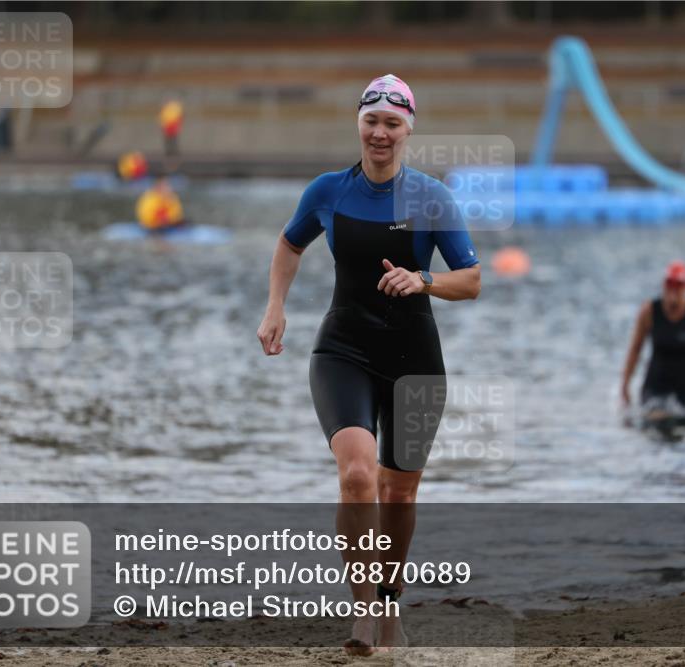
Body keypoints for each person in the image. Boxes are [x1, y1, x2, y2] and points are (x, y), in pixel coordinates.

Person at [256, 74, 481, 654]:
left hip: (415, 359)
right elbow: (289, 244)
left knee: (400, 494)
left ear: (408, 129)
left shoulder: (432, 197)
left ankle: (387, 604)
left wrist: (425, 278)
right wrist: (276, 305)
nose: (380, 133)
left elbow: (472, 280)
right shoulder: (328, 190)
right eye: (371, 121)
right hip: (343, 350)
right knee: (358, 475)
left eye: (392, 123)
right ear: (358, 123)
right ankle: (361, 611)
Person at [621, 260, 685, 420]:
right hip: (656, 382)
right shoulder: (649, 311)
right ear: (664, 285)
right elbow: (635, 349)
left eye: (679, 286)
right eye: (670, 285)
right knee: (655, 420)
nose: (673, 291)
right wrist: (625, 384)